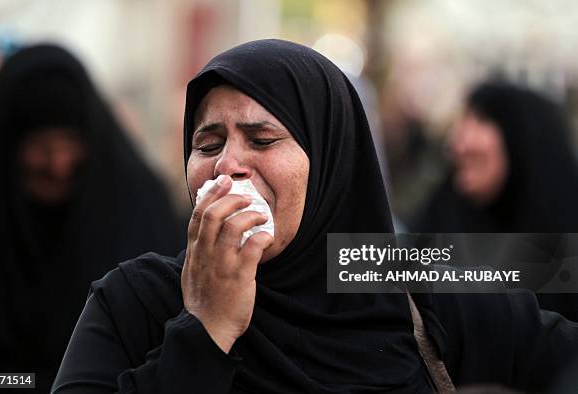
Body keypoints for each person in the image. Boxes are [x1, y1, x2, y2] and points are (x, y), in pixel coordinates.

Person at [53, 40, 578, 393]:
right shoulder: (136, 299)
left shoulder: (396, 270)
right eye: (207, 143)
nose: (228, 166)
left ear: (330, 164)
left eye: (262, 140)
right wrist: (204, 328)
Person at [0, 44, 184, 392]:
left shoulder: (138, 206)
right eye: (42, 147)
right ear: (4, 147)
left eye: (70, 144)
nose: (59, 165)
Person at [411, 81, 578, 320]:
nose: (459, 144)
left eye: (482, 121)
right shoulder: (438, 219)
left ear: (522, 138)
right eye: (463, 121)